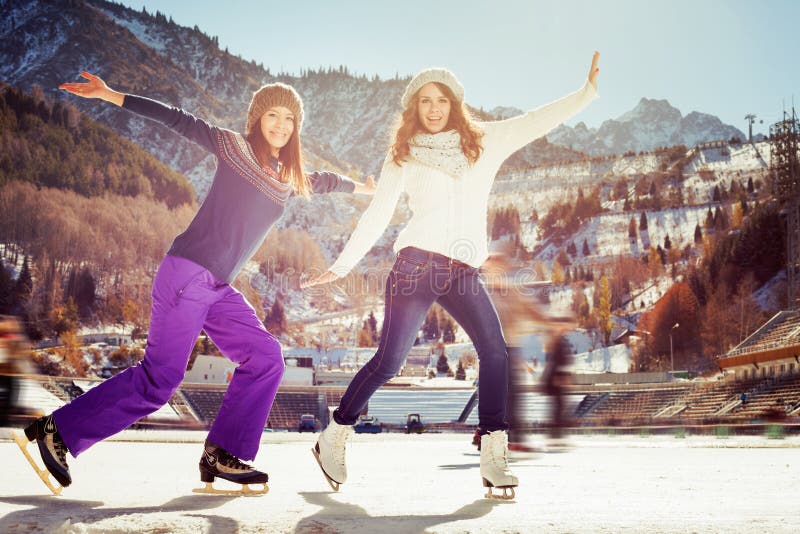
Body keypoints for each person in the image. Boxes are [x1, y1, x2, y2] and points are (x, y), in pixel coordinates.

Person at [19, 71, 375, 495]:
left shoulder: (288, 176)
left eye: (289, 118)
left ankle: (223, 452)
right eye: (272, 114)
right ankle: (56, 431)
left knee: (266, 358)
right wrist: (114, 96)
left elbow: (326, 181)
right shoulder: (233, 147)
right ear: (258, 118)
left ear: (297, 126)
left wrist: (363, 190)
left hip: (218, 288)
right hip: (187, 273)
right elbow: (177, 119)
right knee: (158, 382)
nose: (280, 124)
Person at [304, 52, 600, 499]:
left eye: (442, 99)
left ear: (455, 102)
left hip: (463, 271)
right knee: (390, 361)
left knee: (496, 353)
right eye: (425, 100)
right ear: (414, 108)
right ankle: (335, 435)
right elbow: (377, 214)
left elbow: (537, 119)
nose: (434, 107)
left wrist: (586, 93)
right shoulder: (402, 155)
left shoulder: (485, 141)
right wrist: (342, 265)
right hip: (415, 265)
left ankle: (493, 455)